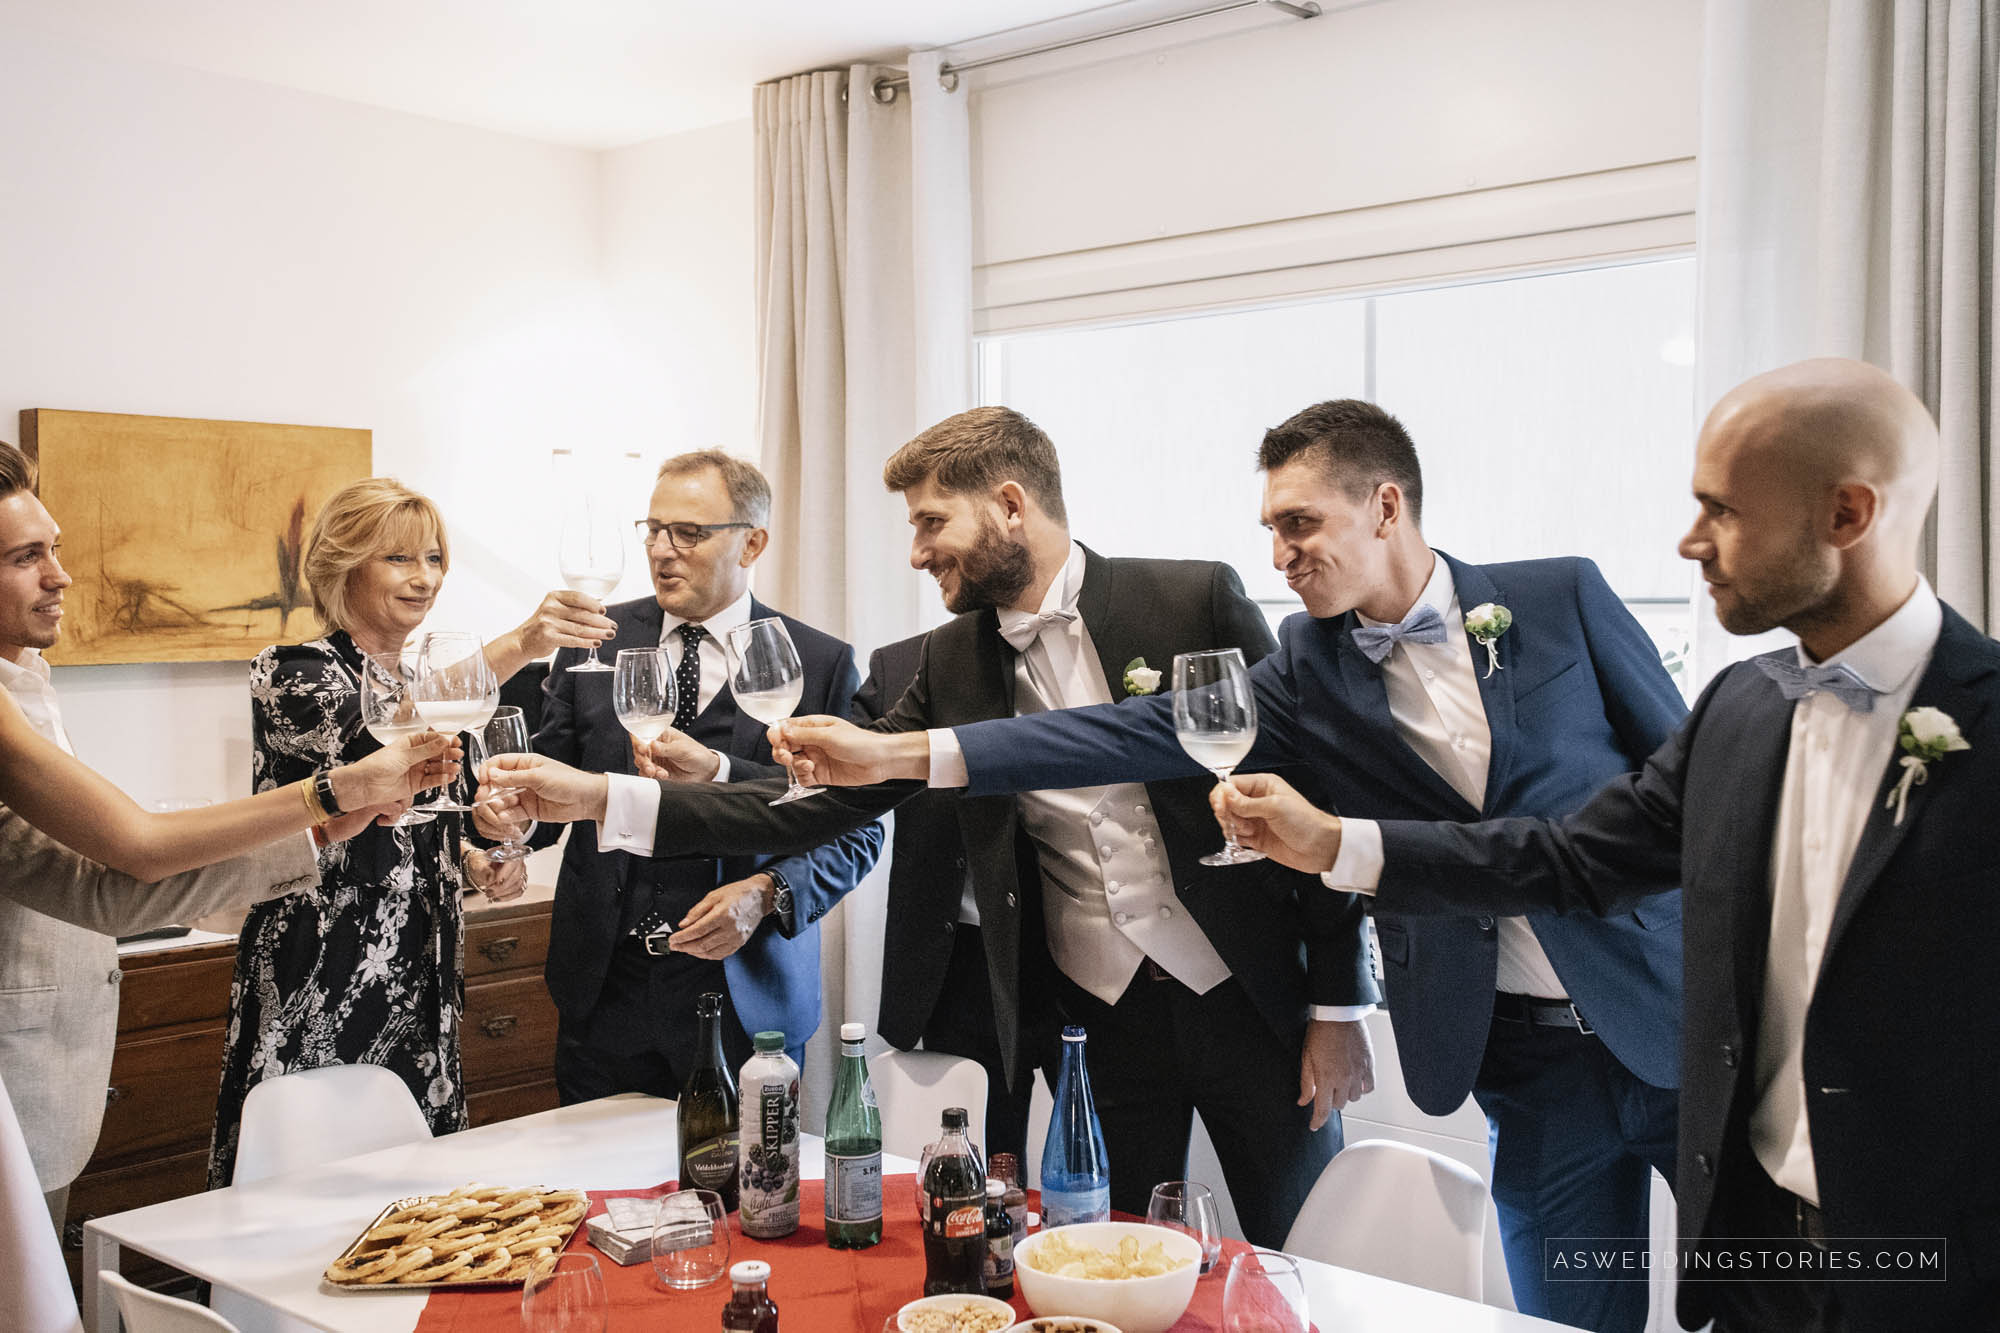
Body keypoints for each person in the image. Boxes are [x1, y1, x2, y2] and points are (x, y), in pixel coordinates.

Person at [761, 400, 1687, 1331]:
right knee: (1570, 1320)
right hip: (1521, 1061)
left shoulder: (1562, 596)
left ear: (1386, 505)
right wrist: (896, 755)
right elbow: (1122, 731)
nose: (1280, 555)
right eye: (1271, 530)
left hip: (1665, 1017)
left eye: (1300, 524)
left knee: (1780, 1289)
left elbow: (1688, 801)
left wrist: (1335, 972)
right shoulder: (1310, 667)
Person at [1214, 360, 1995, 1332]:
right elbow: (1564, 857)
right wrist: (1338, 843)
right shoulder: (1739, 710)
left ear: (1844, 514)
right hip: (1752, 1252)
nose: (1689, 541)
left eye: (1722, 510)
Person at [479, 408, 1378, 1248]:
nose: (915, 553)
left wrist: (1337, 1003)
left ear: (1010, 506)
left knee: (1301, 1249)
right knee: (1120, 1255)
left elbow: (1313, 796)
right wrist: (604, 800)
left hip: (1254, 999)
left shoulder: (1186, 600)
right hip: (1102, 1023)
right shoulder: (948, 659)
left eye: (930, 523)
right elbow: (824, 803)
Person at [0, 444, 449, 1230]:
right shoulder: (299, 668)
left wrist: (326, 827)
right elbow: (131, 850)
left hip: (50, 1077)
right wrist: (331, 792)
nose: (61, 574)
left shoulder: (29, 681)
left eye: (56, 547)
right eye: (25, 556)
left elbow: (95, 885)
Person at [208, 477, 614, 1187]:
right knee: (305, 1191)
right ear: (343, 565)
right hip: (321, 968)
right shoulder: (296, 674)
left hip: (419, 972)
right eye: (399, 559)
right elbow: (385, 735)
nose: (423, 578)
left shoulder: (428, 683)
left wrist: (476, 861)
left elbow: (416, 828)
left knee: (417, 1199)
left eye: (433, 558)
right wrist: (523, 640)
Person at [526, 450, 880, 1098]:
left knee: (750, 1196)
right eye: (654, 529)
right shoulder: (594, 639)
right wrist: (503, 836)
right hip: (607, 988)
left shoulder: (818, 661)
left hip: (748, 991)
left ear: (752, 543)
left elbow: (858, 832)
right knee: (602, 1195)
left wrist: (767, 891)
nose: (663, 550)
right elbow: (546, 786)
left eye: (688, 532)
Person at [849, 629, 1043, 1165]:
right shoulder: (900, 664)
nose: (920, 555)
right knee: (978, 1173)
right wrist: (720, 774)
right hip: (959, 963)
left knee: (1107, 1170)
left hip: (1093, 959)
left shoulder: (1094, 648)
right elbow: (830, 783)